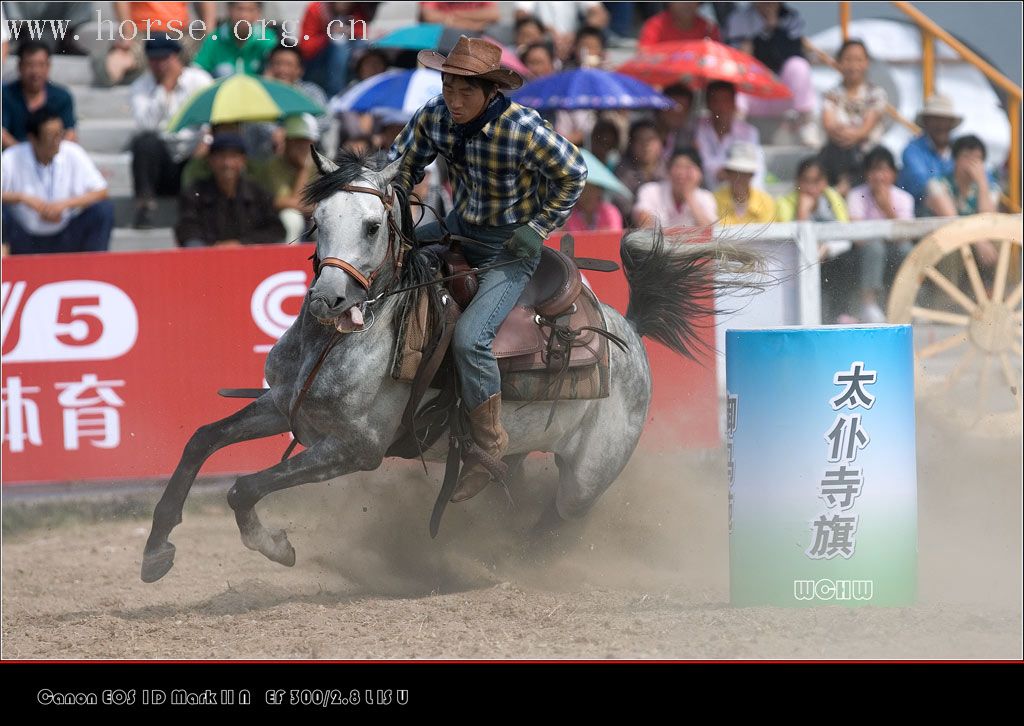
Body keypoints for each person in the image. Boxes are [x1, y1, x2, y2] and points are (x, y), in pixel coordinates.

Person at [389, 36, 587, 502]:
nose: (453, 101)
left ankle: (489, 443)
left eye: (464, 92)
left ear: (489, 92)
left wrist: (538, 228)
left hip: (509, 248)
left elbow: (574, 171)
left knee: (470, 338)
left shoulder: (522, 128)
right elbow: (400, 165)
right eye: (448, 88)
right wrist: (391, 198)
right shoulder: (435, 115)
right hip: (459, 228)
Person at [129, 34, 214, 229]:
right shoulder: (141, 87)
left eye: (164, 59)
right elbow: (145, 125)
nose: (160, 65)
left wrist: (207, 140)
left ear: (176, 57)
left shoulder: (199, 80)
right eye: (154, 60)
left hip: (194, 156)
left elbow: (214, 117)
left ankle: (204, 209)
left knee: (218, 145)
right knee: (144, 143)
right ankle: (145, 205)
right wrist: (164, 89)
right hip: (162, 162)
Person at [1, 109, 113, 255]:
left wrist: (64, 205)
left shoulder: (72, 152)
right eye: (50, 136)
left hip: (65, 233)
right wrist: (23, 198)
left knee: (103, 210)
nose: (57, 140)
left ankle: (95, 269)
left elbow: (102, 191)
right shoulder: (12, 157)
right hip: (23, 237)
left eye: (60, 134)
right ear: (33, 138)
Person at [724, 1, 818, 147]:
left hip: (781, 93)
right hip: (752, 92)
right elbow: (735, 56)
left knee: (799, 66)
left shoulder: (791, 18)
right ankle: (737, 132)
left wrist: (773, 28)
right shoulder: (738, 19)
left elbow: (793, 53)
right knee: (737, 73)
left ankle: (805, 125)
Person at [776, 157, 854, 322]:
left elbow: (845, 233)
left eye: (816, 181)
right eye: (806, 181)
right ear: (797, 181)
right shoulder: (785, 203)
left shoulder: (833, 200)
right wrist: (802, 212)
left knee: (847, 259)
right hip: (797, 262)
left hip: (829, 258)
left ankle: (840, 315)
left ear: (824, 182)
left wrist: (827, 248)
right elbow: (790, 242)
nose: (811, 188)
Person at [175, 133, 286, 247]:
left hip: (249, 256)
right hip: (208, 256)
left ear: (243, 160)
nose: (227, 163)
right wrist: (213, 246)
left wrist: (240, 244)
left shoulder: (258, 192)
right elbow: (186, 228)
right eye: (221, 157)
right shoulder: (195, 192)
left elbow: (276, 230)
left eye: (233, 156)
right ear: (211, 160)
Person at [847, 146, 915, 323]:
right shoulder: (856, 195)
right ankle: (869, 305)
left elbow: (905, 236)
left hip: (894, 249)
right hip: (864, 252)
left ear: (893, 173)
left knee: (907, 250)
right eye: (874, 170)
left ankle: (907, 302)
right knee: (874, 247)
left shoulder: (904, 198)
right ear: (867, 173)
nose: (878, 176)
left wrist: (886, 207)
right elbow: (857, 236)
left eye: (883, 170)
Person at [818, 39, 888, 195]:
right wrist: (851, 132)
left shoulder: (876, 93)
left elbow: (865, 130)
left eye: (859, 60)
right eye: (848, 59)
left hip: (866, 155)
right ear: (839, 63)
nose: (853, 65)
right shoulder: (831, 94)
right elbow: (829, 125)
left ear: (867, 63)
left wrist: (849, 131)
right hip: (837, 152)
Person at [926, 134, 1001, 272]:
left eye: (977, 159)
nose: (971, 163)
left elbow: (990, 220)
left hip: (978, 242)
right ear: (955, 159)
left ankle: (990, 290)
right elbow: (953, 220)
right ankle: (944, 294)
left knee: (998, 242)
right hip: (948, 242)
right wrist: (978, 241)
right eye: (966, 157)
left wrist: (982, 184)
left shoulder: (990, 189)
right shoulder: (938, 184)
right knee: (952, 249)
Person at [94, 2, 215, 87]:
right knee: (111, 69)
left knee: (214, 57)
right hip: (143, 35)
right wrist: (127, 33)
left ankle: (155, 69)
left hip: (179, 34)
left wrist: (209, 34)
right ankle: (148, 71)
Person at [253, 114, 320, 244]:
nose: (302, 146)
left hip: (310, 217)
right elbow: (281, 203)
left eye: (306, 141)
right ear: (288, 141)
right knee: (291, 217)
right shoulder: (273, 166)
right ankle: (288, 261)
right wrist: (303, 170)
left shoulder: (320, 164)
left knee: (325, 221)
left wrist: (314, 207)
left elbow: (325, 203)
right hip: (274, 222)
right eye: (297, 141)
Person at [2, 41, 77, 149]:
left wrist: (48, 156)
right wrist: (24, 156)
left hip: (52, 159)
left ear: (48, 66)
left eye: (41, 65)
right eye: (30, 65)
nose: (35, 71)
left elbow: (70, 133)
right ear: (20, 66)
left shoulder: (62, 97)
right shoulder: (5, 95)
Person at [897, 94, 962, 215]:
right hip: (921, 215)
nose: (941, 125)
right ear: (926, 122)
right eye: (936, 120)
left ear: (951, 123)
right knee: (934, 188)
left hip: (954, 210)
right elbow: (923, 185)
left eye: (944, 120)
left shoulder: (960, 149)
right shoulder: (912, 150)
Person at [694, 80, 765, 188]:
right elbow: (705, 164)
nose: (720, 107)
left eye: (725, 100)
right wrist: (729, 171)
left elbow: (754, 168)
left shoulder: (749, 132)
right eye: (715, 101)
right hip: (707, 192)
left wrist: (727, 172)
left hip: (741, 194)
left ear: (734, 103)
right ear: (708, 104)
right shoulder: (699, 128)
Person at [299, 2, 378, 97]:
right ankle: (335, 94)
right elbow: (306, 48)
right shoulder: (317, 9)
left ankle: (363, 87)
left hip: (347, 62)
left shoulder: (357, 9)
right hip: (316, 64)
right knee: (339, 44)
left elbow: (362, 34)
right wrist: (328, 35)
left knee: (361, 44)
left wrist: (349, 31)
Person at [633, 147, 717, 228]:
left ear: (699, 173)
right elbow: (642, 223)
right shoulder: (650, 190)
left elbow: (709, 231)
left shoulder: (706, 197)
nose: (681, 173)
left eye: (688, 167)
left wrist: (689, 196)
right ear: (668, 170)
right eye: (677, 166)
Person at [193, 1, 280, 79]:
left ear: (258, 13)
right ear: (229, 10)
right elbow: (197, 71)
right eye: (239, 9)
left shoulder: (269, 40)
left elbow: (279, 71)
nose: (244, 15)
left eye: (250, 10)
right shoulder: (214, 39)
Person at [712, 141, 775, 225]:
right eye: (734, 172)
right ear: (727, 174)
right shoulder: (714, 200)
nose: (739, 178)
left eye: (744, 173)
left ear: (752, 175)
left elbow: (769, 235)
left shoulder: (766, 202)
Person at [638, 1, 720, 46]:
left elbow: (716, 58)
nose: (687, 4)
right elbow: (644, 56)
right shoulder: (654, 25)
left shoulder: (708, 28)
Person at [656, 82, 698, 160]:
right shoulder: (644, 131)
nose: (678, 114)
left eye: (684, 108)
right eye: (675, 107)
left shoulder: (688, 138)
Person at [419, 1, 500, 32]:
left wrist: (456, 16)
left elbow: (494, 14)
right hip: (442, 41)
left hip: (474, 40)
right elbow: (428, 16)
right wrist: (472, 25)